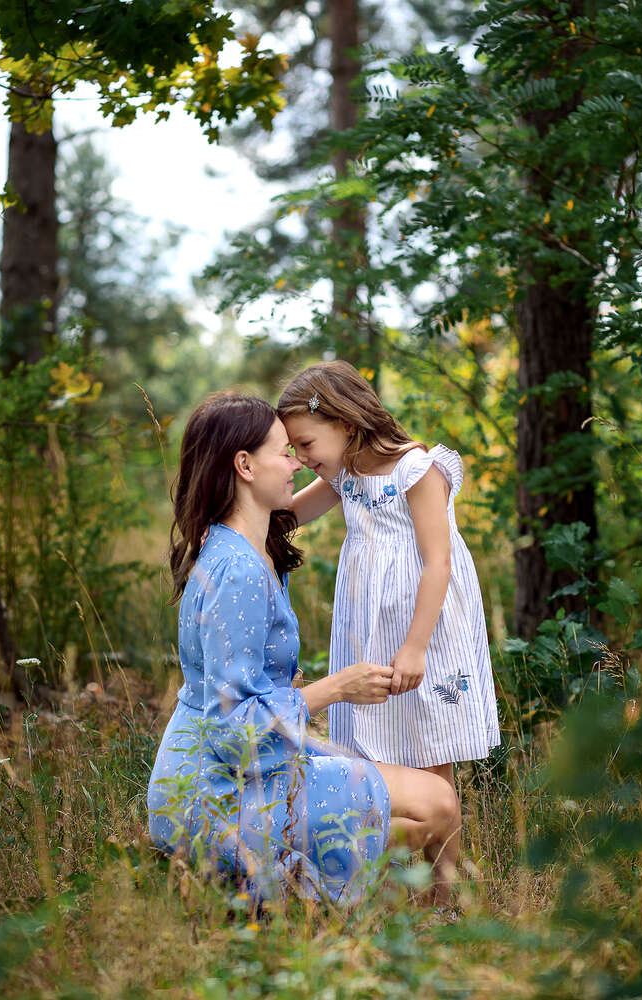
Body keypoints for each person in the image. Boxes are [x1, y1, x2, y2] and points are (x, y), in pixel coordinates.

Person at [147, 392, 458, 904]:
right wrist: (335, 688)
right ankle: (281, 887)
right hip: (216, 795)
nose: (296, 463)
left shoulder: (245, 548)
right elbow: (234, 728)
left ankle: (295, 885)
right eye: (283, 452)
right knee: (435, 804)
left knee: (431, 798)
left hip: (237, 771)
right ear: (245, 466)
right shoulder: (238, 571)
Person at [278, 361, 501, 877]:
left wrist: (416, 647)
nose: (301, 458)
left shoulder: (417, 470)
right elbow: (287, 515)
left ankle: (445, 889)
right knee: (376, 743)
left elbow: (439, 563)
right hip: (371, 629)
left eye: (305, 444)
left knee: (430, 750)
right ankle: (390, 880)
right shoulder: (343, 475)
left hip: (425, 629)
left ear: (345, 423)